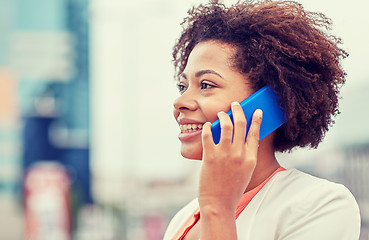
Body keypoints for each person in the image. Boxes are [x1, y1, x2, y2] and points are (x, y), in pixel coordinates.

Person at [163, 0, 361, 239]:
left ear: (268, 103)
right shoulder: (184, 218)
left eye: (206, 85)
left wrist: (218, 209)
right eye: (182, 86)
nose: (179, 102)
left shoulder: (321, 205)